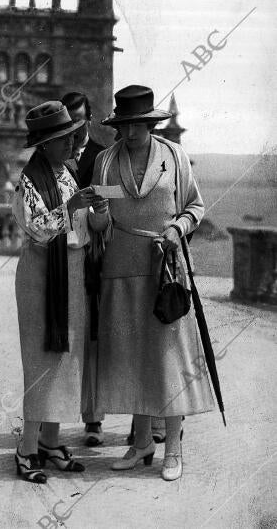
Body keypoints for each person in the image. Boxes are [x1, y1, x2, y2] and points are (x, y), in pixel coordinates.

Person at [91, 85, 213, 481]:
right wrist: (95, 214)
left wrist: (178, 228)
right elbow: (99, 223)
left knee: (169, 360)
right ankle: (141, 442)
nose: (129, 133)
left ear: (150, 123)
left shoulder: (175, 157)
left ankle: (173, 448)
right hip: (120, 270)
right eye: (123, 126)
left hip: (166, 271)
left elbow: (195, 206)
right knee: (132, 357)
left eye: (137, 125)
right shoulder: (106, 162)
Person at [11, 101, 109, 483]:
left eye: (70, 136)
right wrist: (72, 206)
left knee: (67, 358)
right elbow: (36, 228)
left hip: (72, 271)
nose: (70, 142)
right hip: (41, 274)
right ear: (44, 143)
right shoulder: (29, 181)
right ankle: (27, 447)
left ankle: (50, 441)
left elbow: (87, 227)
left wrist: (97, 210)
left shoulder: (67, 174)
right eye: (62, 138)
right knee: (41, 361)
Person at [61, 91, 107, 447]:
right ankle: (52, 421)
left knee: (92, 337)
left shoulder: (102, 156)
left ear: (89, 118)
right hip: (61, 258)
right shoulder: (54, 157)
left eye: (79, 119)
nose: (75, 128)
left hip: (94, 259)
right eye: (69, 121)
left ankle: (93, 418)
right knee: (62, 337)